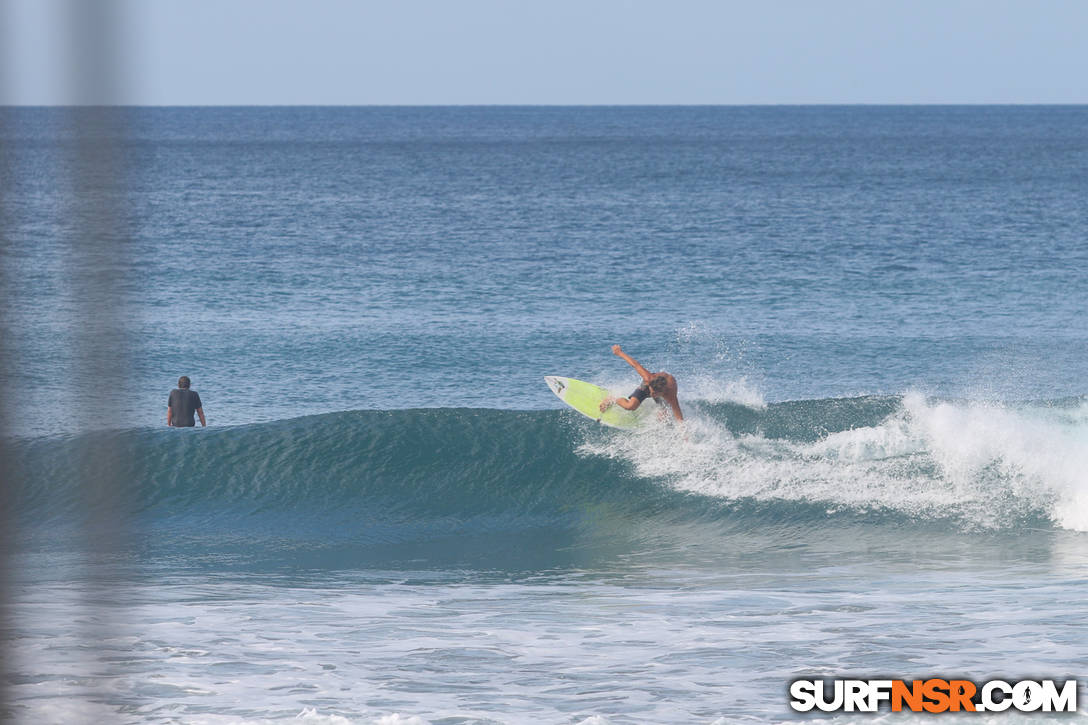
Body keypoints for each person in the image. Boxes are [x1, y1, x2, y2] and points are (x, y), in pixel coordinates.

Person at [599, 345, 683, 421]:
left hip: (662, 389)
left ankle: (661, 411)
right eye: (652, 392)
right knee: (630, 406)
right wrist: (619, 352)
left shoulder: (670, 394)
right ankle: (612, 399)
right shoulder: (648, 379)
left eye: (655, 394)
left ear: (663, 392)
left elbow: (679, 416)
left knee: (664, 416)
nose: (652, 395)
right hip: (649, 385)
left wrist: (684, 434)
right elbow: (635, 364)